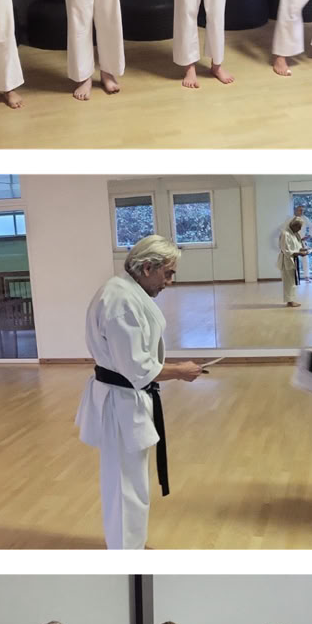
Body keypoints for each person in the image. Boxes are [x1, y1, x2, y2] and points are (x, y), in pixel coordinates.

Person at [76, 234, 206, 550]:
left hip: (126, 398)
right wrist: (180, 371)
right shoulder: (120, 302)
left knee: (131, 480)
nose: (170, 282)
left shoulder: (125, 292)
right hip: (120, 400)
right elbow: (136, 367)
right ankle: (126, 552)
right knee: (125, 483)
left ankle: (130, 544)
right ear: (148, 267)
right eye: (168, 273)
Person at [279, 215, 307, 306]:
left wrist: (305, 250)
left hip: (294, 259)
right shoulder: (285, 234)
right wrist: (299, 253)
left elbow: (298, 247)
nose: (299, 229)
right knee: (289, 282)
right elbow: (286, 250)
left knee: (293, 281)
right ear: (293, 225)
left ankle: (291, 300)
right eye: (299, 227)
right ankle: (289, 301)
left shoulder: (295, 234)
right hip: (287, 260)